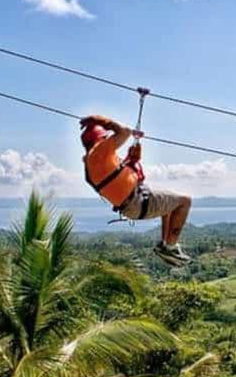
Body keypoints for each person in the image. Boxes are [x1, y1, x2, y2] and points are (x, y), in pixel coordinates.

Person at [80, 114, 192, 266]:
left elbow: (117, 179)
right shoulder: (98, 151)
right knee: (185, 201)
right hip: (138, 202)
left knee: (169, 203)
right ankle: (170, 247)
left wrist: (131, 160)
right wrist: (99, 120)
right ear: (100, 139)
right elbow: (124, 131)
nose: (110, 140)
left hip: (133, 205)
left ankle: (165, 244)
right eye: (106, 137)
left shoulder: (92, 164)